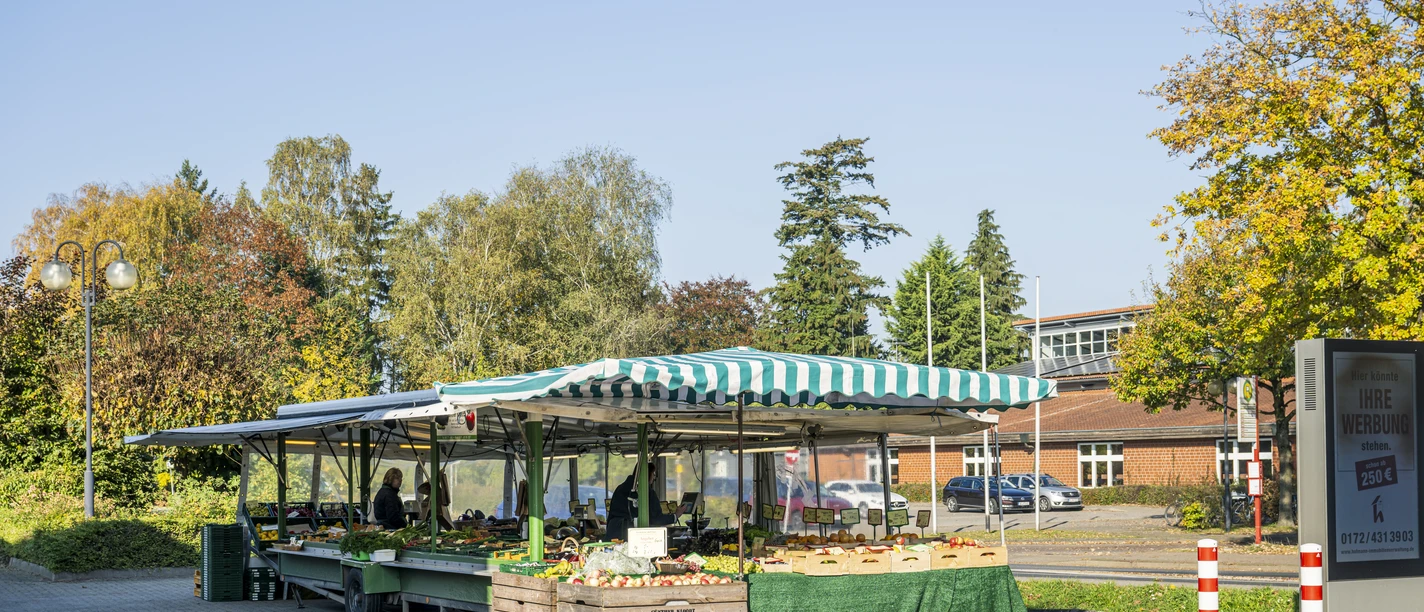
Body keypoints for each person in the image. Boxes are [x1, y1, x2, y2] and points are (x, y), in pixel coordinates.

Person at [606, 463, 673, 541]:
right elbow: (656, 518)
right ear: (648, 474)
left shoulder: (620, 489)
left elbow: (611, 514)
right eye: (653, 474)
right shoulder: (646, 491)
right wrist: (675, 516)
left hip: (612, 532)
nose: (654, 478)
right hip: (631, 535)